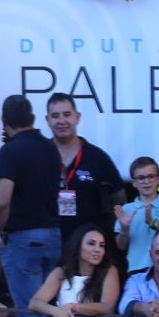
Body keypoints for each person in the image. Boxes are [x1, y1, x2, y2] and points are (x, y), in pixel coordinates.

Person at [0, 95, 64, 317]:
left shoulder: (9, 151)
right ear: (34, 118)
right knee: (48, 309)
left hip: (22, 239)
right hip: (53, 236)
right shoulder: (50, 148)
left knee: (32, 311)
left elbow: (2, 201)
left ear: (5, 123)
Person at [42, 93, 121, 237]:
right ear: (47, 120)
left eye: (67, 114)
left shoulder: (98, 157)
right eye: (55, 116)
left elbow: (119, 198)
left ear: (77, 117)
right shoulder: (38, 156)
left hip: (87, 246)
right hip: (48, 245)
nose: (61, 121)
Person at [112, 157, 159, 275]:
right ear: (133, 182)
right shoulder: (126, 209)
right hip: (136, 270)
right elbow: (121, 246)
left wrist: (153, 224)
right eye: (141, 178)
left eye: (151, 176)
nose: (146, 181)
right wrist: (124, 229)